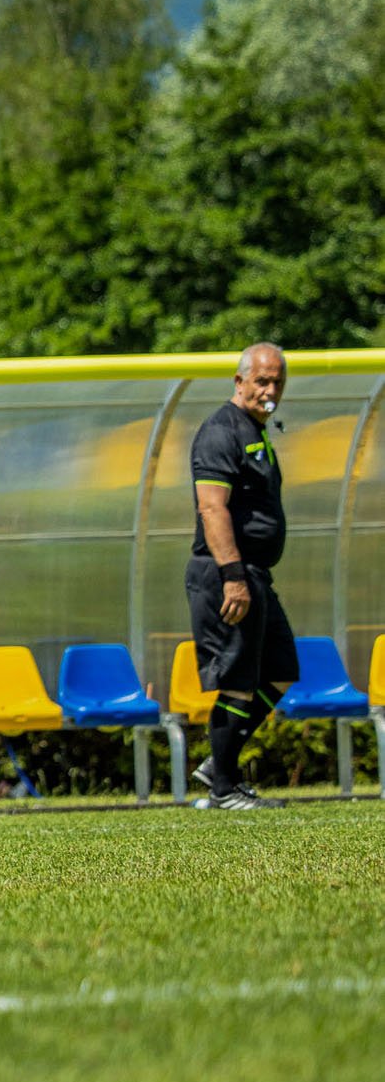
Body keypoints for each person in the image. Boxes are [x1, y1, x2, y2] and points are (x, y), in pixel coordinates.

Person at [188, 342, 298, 811]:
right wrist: (233, 576)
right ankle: (224, 790)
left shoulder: (257, 429)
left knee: (280, 670)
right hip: (226, 575)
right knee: (236, 680)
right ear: (239, 382)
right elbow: (212, 508)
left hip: (255, 575)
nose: (270, 390)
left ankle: (221, 763)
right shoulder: (220, 431)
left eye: (277, 381)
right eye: (261, 381)